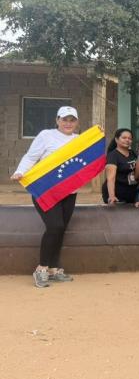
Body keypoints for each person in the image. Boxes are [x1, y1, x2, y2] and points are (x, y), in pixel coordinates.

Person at [11, 105, 82, 287]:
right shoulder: (46, 135)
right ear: (57, 120)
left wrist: (98, 136)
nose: (68, 123)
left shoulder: (79, 140)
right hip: (46, 191)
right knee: (54, 226)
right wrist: (20, 171)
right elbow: (30, 157)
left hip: (69, 193)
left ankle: (53, 268)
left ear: (77, 122)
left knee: (61, 229)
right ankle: (41, 268)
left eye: (72, 120)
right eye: (64, 119)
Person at [102, 128, 138, 204]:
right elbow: (111, 178)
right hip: (117, 194)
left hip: (131, 193)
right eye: (124, 138)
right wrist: (112, 196)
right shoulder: (113, 155)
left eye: (129, 138)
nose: (127, 140)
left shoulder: (133, 153)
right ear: (116, 139)